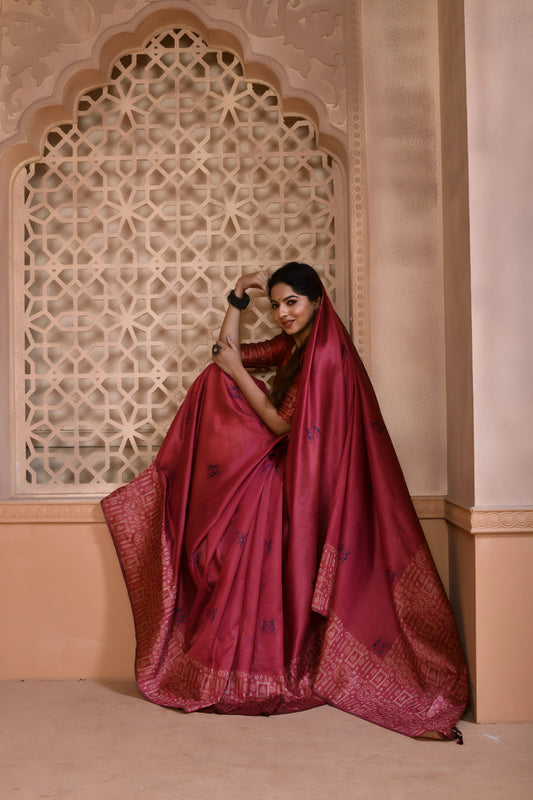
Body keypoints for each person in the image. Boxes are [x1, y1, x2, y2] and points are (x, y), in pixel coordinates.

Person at [101, 262, 468, 741]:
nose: (281, 313)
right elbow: (225, 355)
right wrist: (237, 298)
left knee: (240, 533)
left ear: (317, 301)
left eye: (291, 302)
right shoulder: (295, 347)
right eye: (275, 305)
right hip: (283, 472)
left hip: (302, 483)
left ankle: (264, 664)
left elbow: (282, 426)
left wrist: (235, 371)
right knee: (216, 381)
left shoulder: (327, 357)